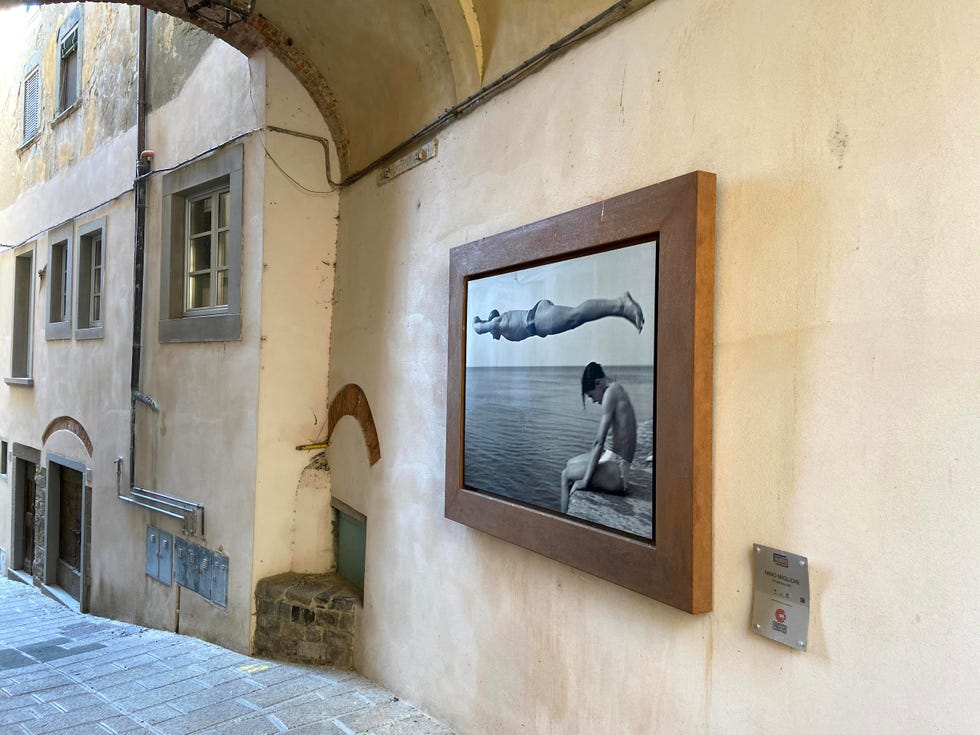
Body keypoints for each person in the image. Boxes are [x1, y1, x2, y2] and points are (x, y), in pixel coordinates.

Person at [560, 362, 637, 513]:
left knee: (565, 475)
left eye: (591, 395)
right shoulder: (616, 389)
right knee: (570, 463)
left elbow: (598, 442)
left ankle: (563, 522)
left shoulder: (611, 393)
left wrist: (586, 481)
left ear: (599, 383)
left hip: (618, 472)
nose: (594, 401)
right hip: (613, 460)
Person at [472, 292, 644, 342]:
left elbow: (478, 328)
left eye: (491, 331)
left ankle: (621, 304)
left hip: (537, 319)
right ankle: (621, 310)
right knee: (575, 320)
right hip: (538, 321)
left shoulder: (498, 322)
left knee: (575, 317)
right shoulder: (503, 330)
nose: (493, 336)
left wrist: (479, 324)